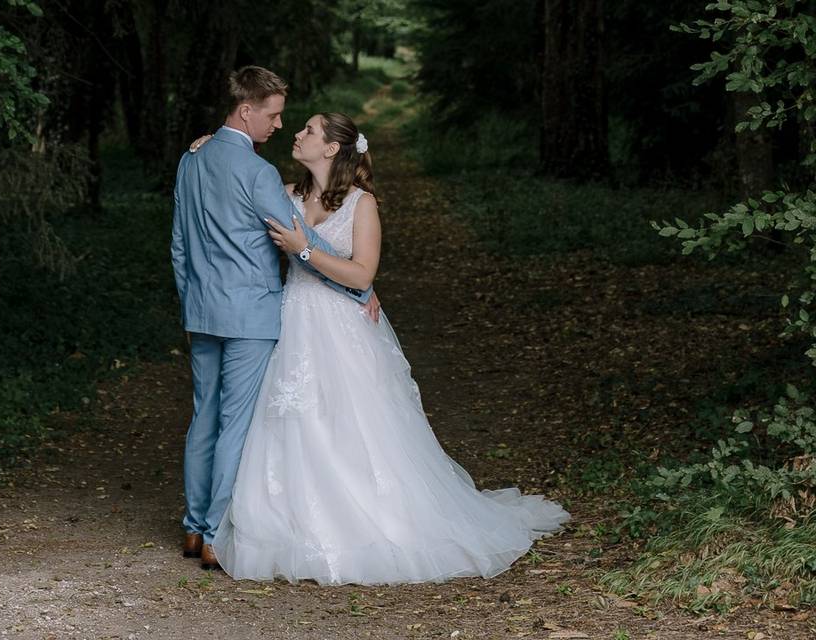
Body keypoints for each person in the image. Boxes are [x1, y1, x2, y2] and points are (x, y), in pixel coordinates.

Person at [202, 111, 571, 585]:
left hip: (340, 325)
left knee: (351, 420)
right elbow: (235, 188)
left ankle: (368, 522)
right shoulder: (289, 195)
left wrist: (305, 251)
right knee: (289, 417)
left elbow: (362, 274)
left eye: (309, 130)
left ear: (332, 148)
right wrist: (208, 141)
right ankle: (292, 520)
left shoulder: (361, 204)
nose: (297, 133)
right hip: (291, 318)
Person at [170, 67, 379, 571]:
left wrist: (191, 299)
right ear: (248, 110)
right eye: (275, 114)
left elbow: (179, 245)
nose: (281, 126)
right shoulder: (260, 174)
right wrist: (362, 285)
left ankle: (193, 528)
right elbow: (299, 240)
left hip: (202, 309)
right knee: (235, 422)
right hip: (251, 313)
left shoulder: (191, 160)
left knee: (204, 417)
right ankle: (216, 532)